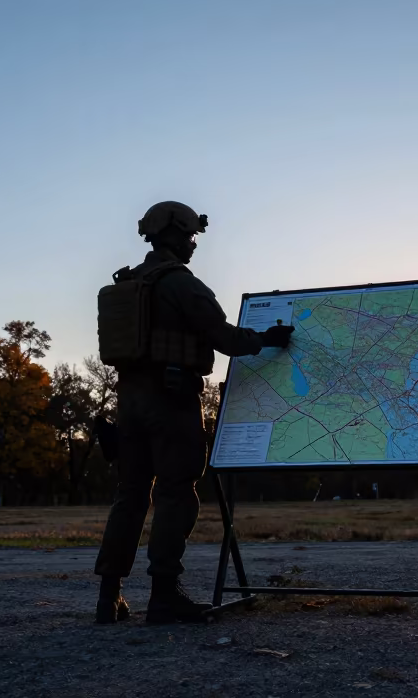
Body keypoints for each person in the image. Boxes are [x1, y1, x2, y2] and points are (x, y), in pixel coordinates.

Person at [93, 200, 294, 625]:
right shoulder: (181, 284)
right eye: (189, 236)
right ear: (171, 235)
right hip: (171, 401)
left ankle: (108, 597)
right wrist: (267, 339)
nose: (193, 245)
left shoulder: (130, 282)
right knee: (175, 493)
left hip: (128, 403)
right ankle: (165, 595)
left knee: (129, 497)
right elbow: (223, 337)